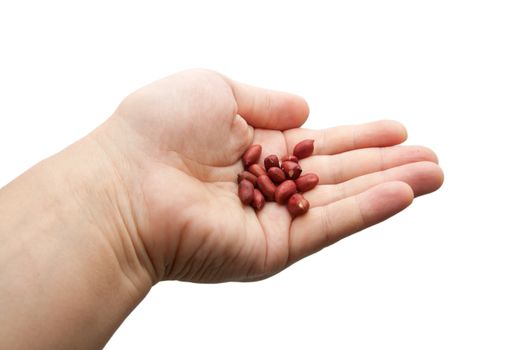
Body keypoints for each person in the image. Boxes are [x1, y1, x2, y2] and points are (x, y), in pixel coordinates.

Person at [0, 69, 443, 349]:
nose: (283, 175)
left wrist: (119, 199)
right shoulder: (261, 176)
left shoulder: (268, 174)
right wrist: (121, 186)